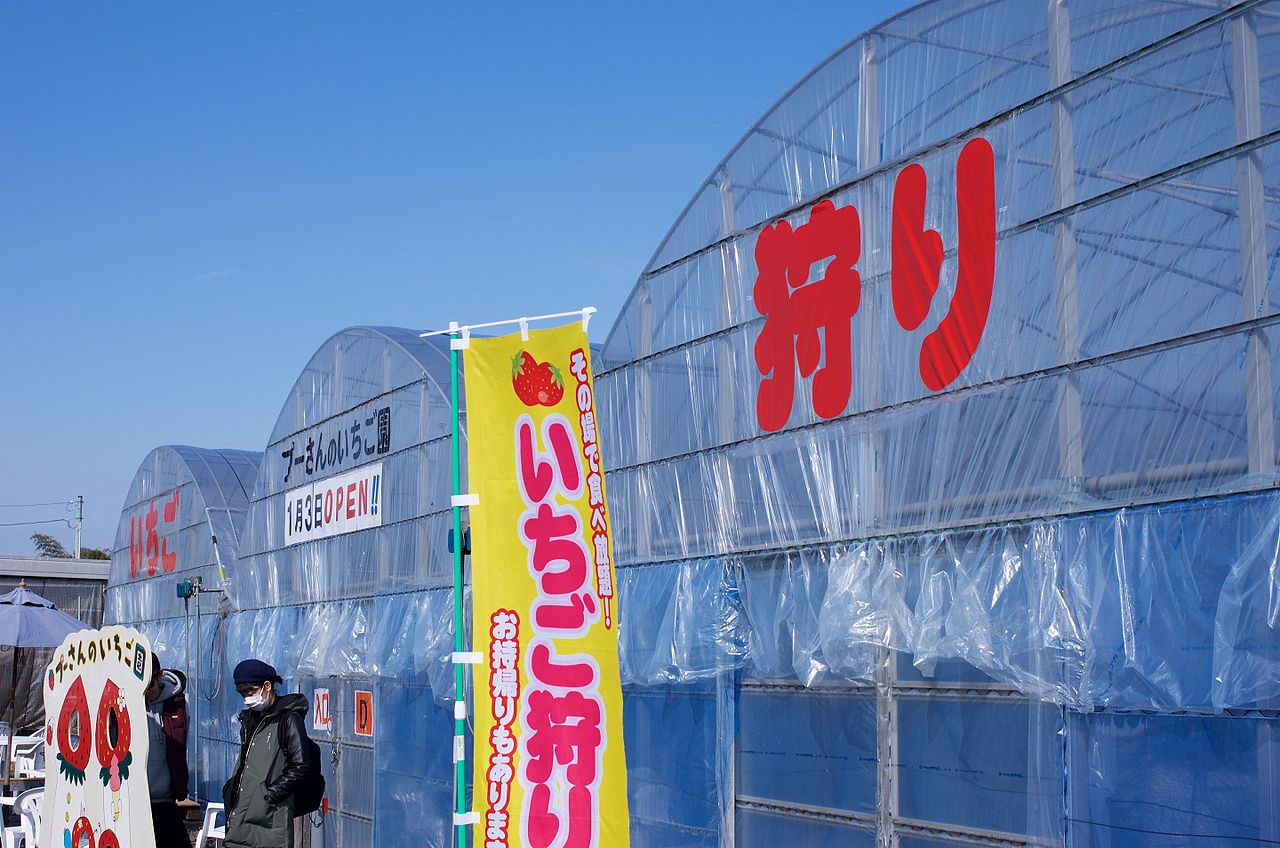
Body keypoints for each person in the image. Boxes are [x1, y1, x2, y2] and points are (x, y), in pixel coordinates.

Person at [222, 659, 309, 848]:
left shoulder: (288, 719)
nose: (247, 699)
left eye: (251, 692)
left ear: (267, 686)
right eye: (243, 694)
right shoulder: (250, 720)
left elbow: (300, 766)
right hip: (243, 813)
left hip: (269, 819)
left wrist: (268, 795)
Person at [145, 653, 192, 848]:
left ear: (159, 675)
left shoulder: (177, 704)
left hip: (164, 796)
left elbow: (180, 748)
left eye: (150, 686)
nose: (146, 692)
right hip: (135, 796)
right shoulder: (127, 701)